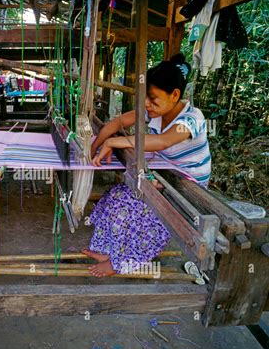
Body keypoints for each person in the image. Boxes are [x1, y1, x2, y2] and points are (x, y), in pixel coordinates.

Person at [83, 53, 211, 277]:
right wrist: (92, 148)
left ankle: (121, 262)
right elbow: (118, 122)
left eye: (153, 99)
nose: (147, 105)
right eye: (145, 99)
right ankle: (108, 251)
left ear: (175, 95)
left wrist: (116, 141)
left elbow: (163, 141)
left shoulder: (192, 119)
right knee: (116, 197)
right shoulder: (155, 112)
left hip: (185, 187)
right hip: (163, 177)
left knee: (140, 211)